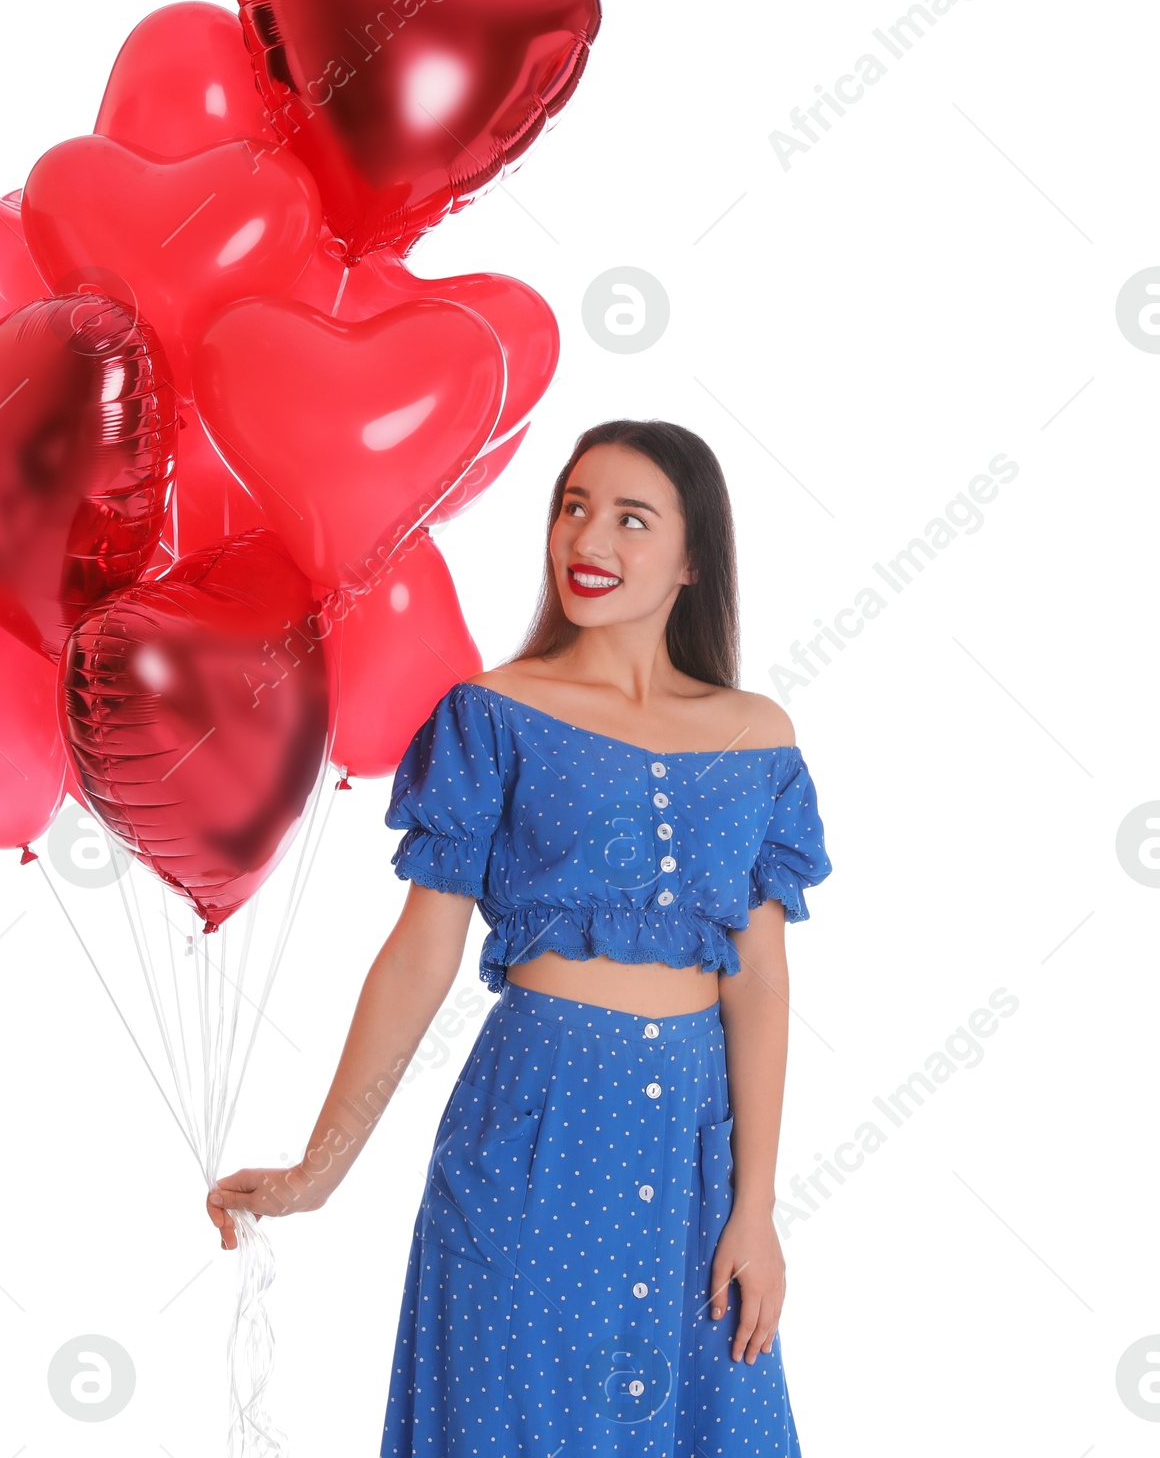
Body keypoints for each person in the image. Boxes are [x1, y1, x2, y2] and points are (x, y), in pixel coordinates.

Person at [204, 419, 833, 1455]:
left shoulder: (755, 735)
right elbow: (419, 954)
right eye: (574, 505)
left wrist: (755, 1206)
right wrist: (320, 1168)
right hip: (533, 1132)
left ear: (691, 559)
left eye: (632, 517)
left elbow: (758, 979)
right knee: (517, 1419)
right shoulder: (494, 713)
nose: (589, 536)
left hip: (691, 1150)